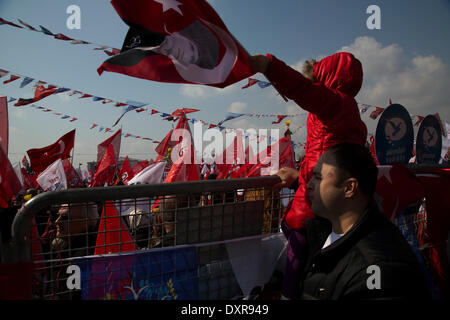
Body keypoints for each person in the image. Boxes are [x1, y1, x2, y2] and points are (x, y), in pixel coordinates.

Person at [248, 51, 367, 299]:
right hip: (332, 198)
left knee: (297, 242)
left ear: (328, 74)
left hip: (315, 202)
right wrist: (299, 175)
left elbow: (300, 89)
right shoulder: (349, 107)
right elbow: (326, 156)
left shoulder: (332, 102)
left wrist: (269, 65)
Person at [297, 143, 430, 299]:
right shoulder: (326, 231)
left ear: (349, 188)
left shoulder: (378, 269)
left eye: (318, 177)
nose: (310, 184)